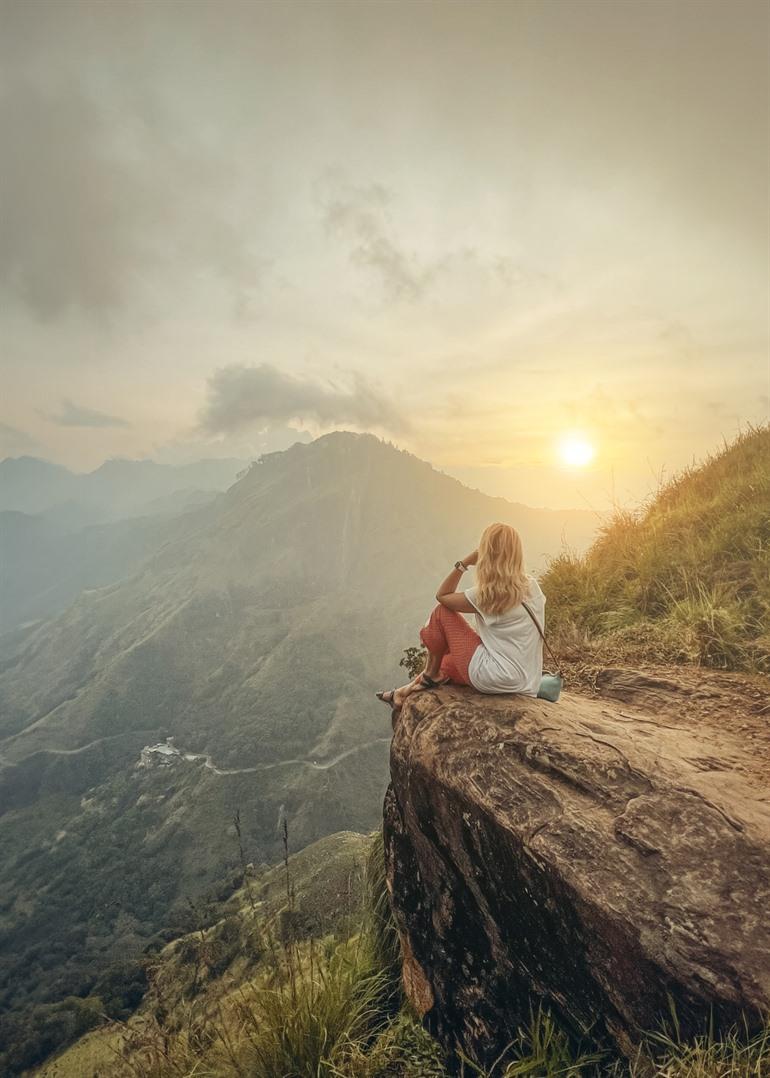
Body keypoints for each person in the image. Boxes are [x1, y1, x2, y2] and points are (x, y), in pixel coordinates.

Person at [376, 522, 545, 711]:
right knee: (447, 663)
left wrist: (464, 563)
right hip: (526, 682)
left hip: (494, 677)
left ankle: (429, 674)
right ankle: (405, 690)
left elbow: (442, 596)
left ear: (485, 553)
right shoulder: (533, 587)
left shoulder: (487, 595)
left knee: (442, 613)